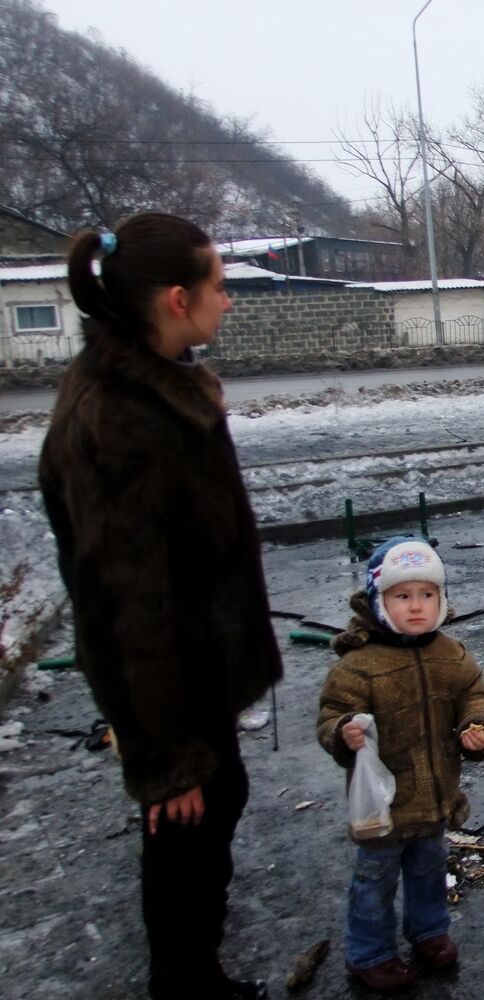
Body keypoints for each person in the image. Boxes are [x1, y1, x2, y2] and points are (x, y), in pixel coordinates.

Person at [38, 213, 283, 1000]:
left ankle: (194, 971)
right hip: (168, 678)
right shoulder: (119, 419)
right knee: (187, 822)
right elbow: (124, 603)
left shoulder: (148, 385)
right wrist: (162, 755)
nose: (228, 301)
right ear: (177, 299)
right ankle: (185, 983)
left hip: (194, 662)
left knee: (215, 808)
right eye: (219, 285)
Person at [317, 537, 484, 993]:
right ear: (379, 600)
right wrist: (343, 732)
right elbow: (331, 714)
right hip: (383, 808)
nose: (416, 606)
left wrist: (475, 729)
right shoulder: (358, 665)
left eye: (426, 595)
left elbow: (472, 698)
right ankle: (369, 953)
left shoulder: (451, 656)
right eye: (402, 596)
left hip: (436, 798)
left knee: (428, 872)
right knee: (374, 882)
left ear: (441, 599)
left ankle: (429, 932)